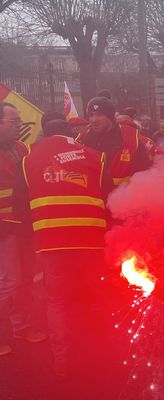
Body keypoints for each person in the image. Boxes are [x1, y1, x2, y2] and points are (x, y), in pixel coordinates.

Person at [22, 119, 112, 376]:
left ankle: (62, 361)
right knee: (94, 295)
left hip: (51, 244)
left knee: (57, 301)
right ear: (71, 133)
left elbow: (22, 200)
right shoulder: (95, 156)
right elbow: (109, 196)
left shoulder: (29, 158)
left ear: (45, 134)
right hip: (90, 242)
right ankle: (100, 353)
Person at [0, 102, 46, 356]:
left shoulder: (21, 149)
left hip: (24, 228)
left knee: (25, 278)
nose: (19, 126)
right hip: (3, 229)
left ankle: (22, 326)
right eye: (13, 121)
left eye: (19, 121)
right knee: (9, 281)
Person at [78, 97, 154, 187]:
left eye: (99, 115)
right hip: (94, 199)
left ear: (110, 116)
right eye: (91, 115)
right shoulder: (82, 140)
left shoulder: (131, 139)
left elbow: (144, 175)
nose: (94, 120)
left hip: (123, 197)